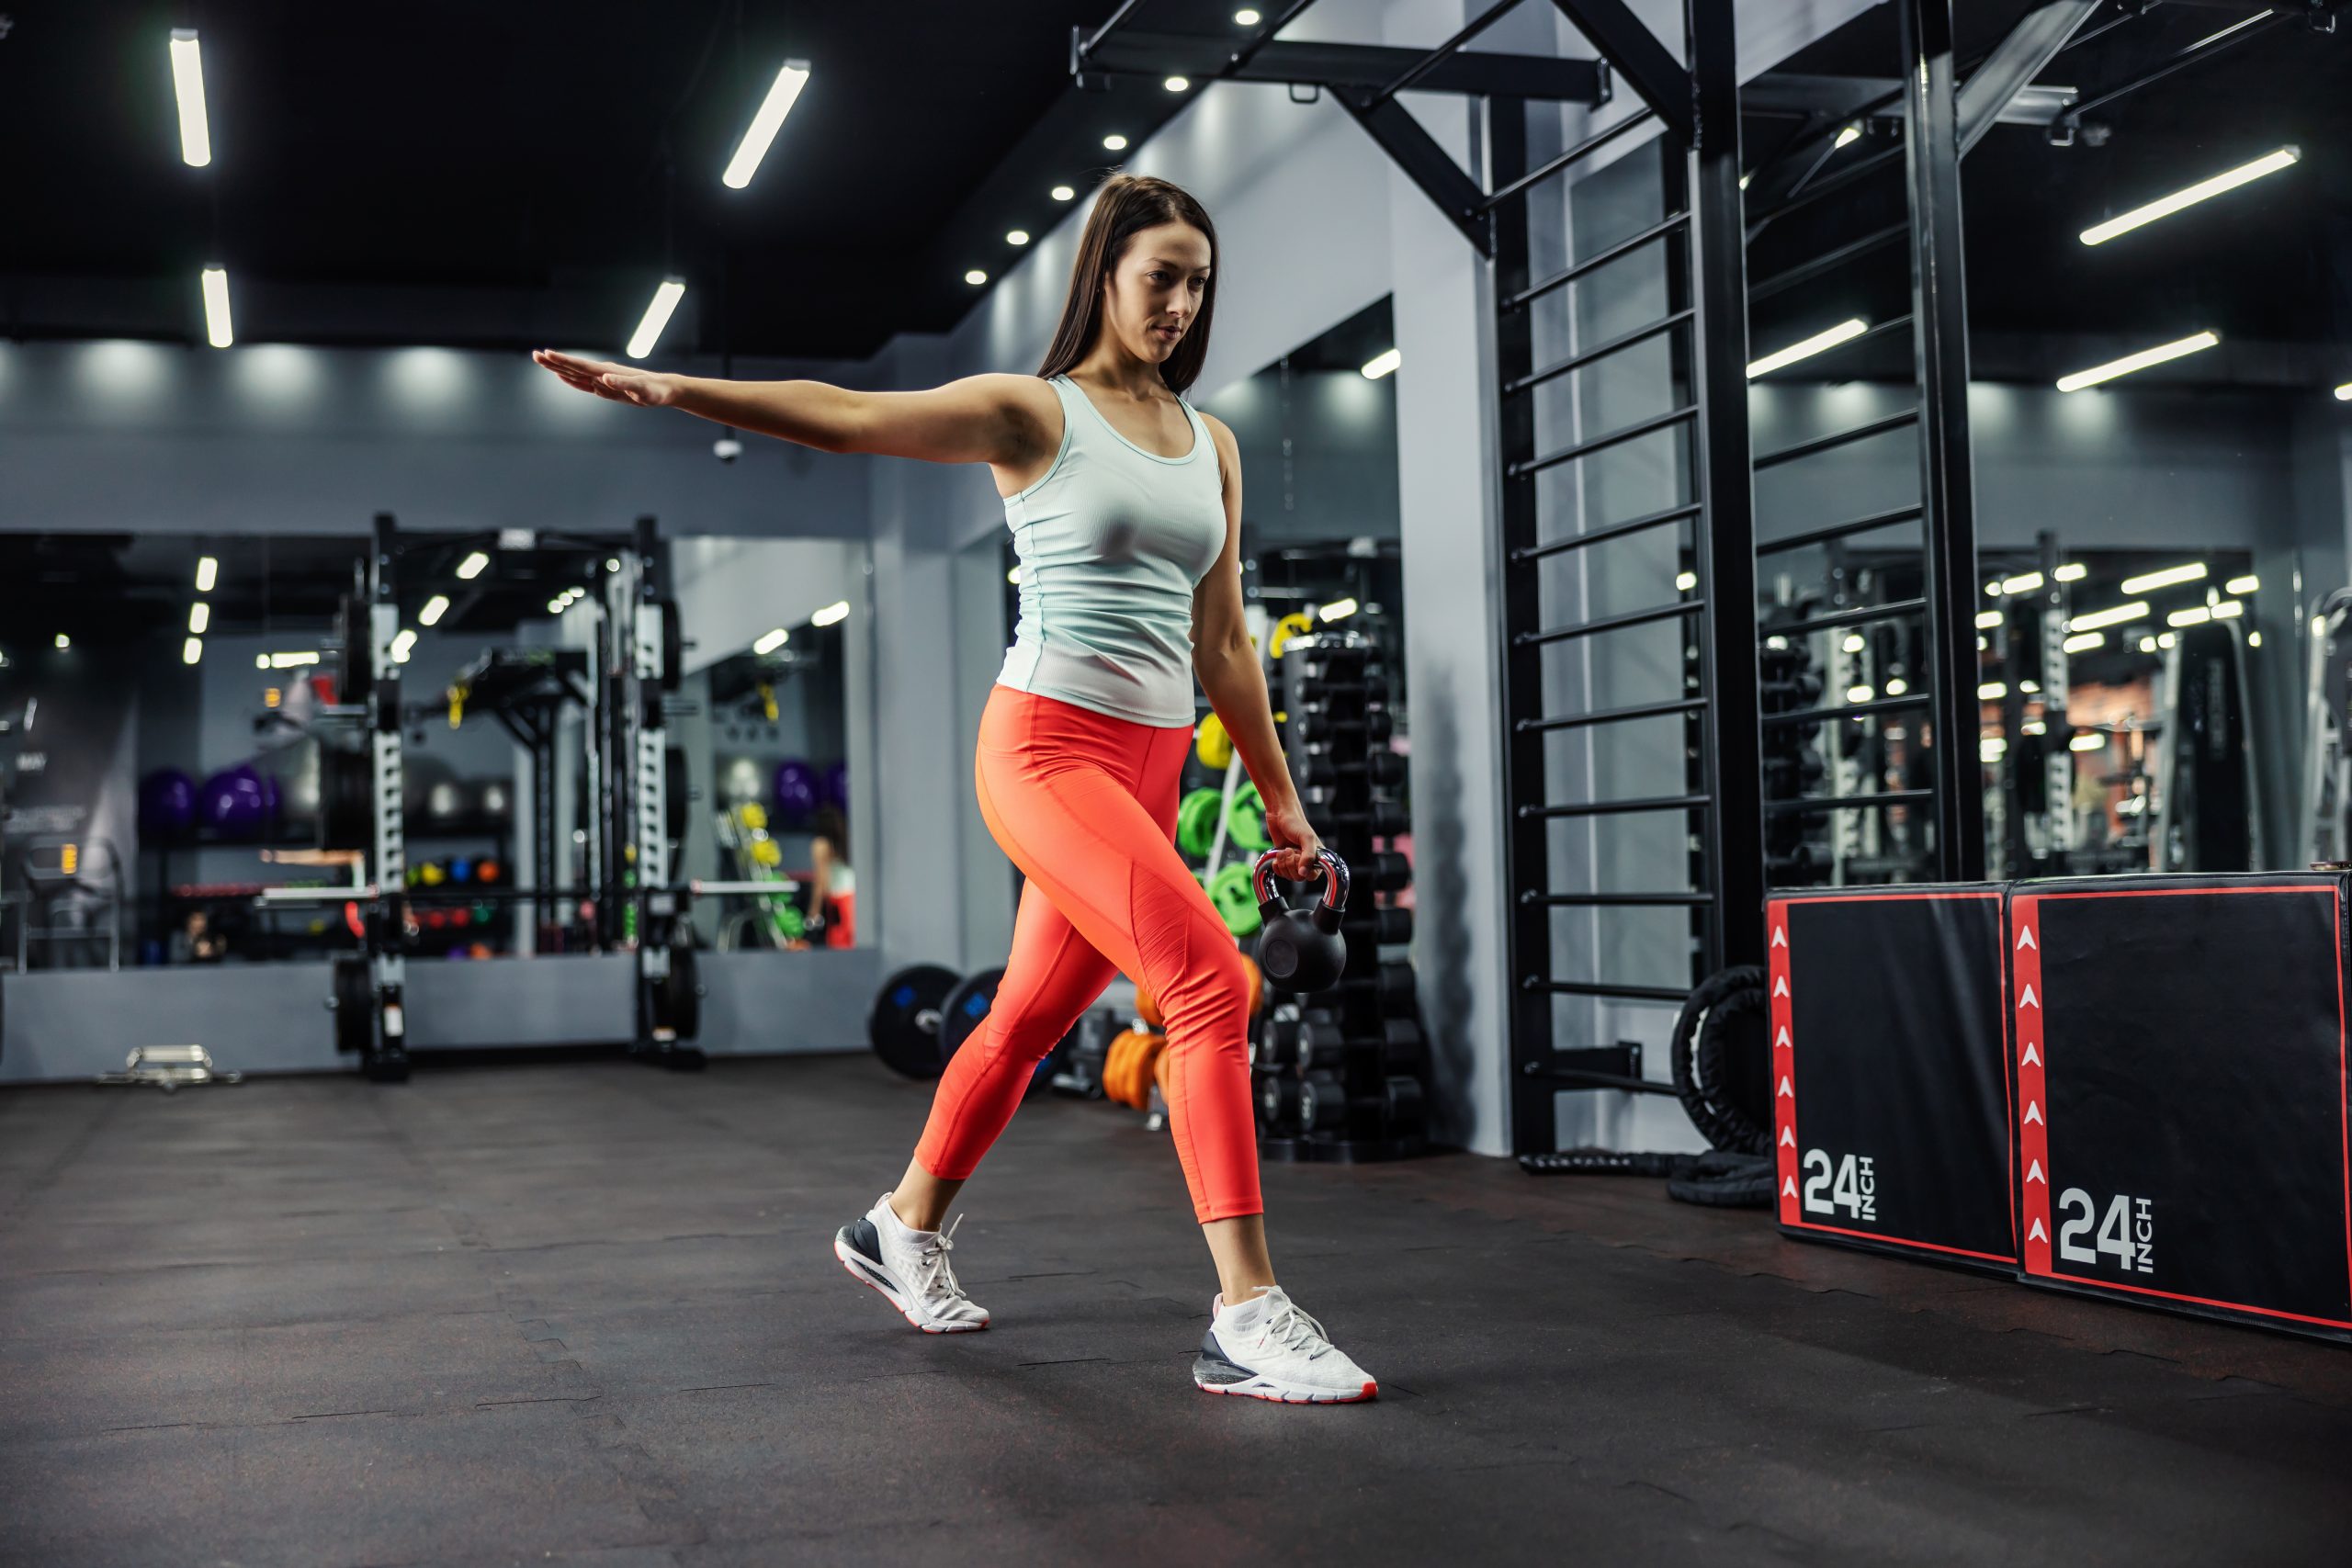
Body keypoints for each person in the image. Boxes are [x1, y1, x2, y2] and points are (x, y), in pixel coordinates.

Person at [532, 174, 1374, 1404]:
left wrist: (1284, 803)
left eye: (1199, 283)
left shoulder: (1216, 447)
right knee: (1205, 983)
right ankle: (1245, 1313)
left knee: (1029, 1020)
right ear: (1106, 277)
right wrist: (672, 387)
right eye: (1161, 278)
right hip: (1044, 748)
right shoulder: (1034, 414)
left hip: (1148, 766)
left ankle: (898, 1224)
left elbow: (1227, 644)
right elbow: (847, 416)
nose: (1183, 305)